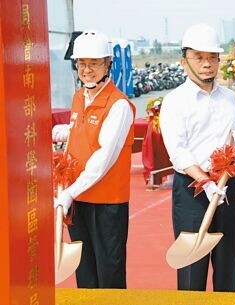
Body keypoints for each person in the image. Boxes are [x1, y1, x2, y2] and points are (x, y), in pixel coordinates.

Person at [159, 23, 235, 292]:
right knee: (192, 265)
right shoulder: (176, 101)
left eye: (212, 57)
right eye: (198, 57)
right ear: (184, 61)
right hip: (193, 189)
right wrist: (206, 182)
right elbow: (177, 150)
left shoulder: (229, 98)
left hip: (227, 187)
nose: (206, 64)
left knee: (228, 263)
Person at [52, 30, 135, 288]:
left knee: (109, 272)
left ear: (108, 64)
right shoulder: (79, 98)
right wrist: (69, 131)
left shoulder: (118, 105)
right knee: (85, 272)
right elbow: (84, 136)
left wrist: (69, 193)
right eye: (82, 63)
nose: (87, 69)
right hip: (78, 200)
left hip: (106, 203)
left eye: (94, 63)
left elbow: (104, 157)